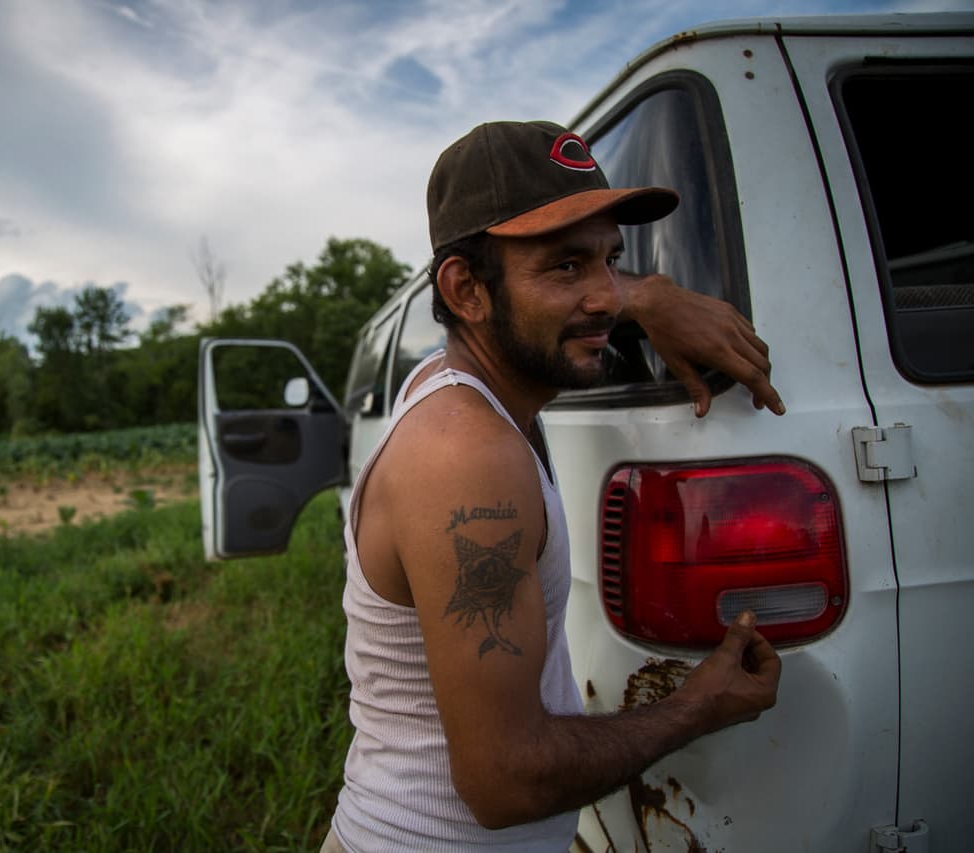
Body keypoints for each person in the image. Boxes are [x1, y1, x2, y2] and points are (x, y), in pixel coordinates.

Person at [322, 121, 783, 851]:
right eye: (568, 267)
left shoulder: (456, 385)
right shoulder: (467, 455)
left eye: (612, 260)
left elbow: (569, 300)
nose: (605, 295)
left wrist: (653, 296)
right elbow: (506, 782)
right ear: (465, 289)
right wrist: (697, 707)